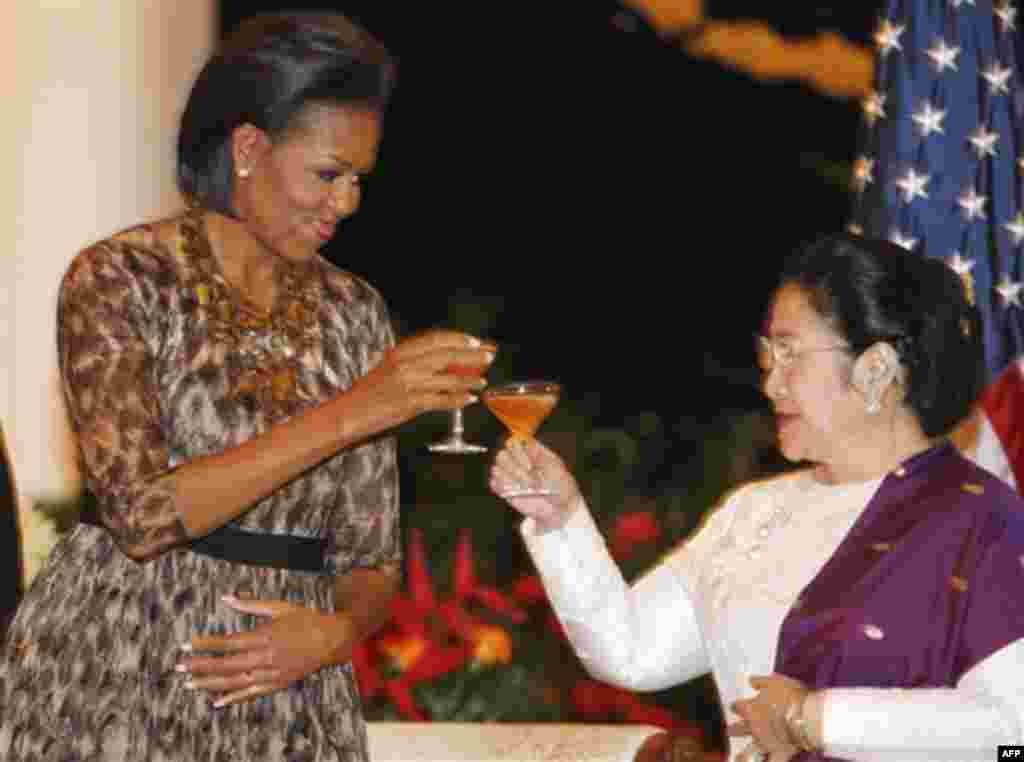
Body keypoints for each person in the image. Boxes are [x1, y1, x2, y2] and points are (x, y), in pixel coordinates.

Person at [0, 13, 494, 761]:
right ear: (248, 150)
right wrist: (360, 407)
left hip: (292, 686)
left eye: (359, 179)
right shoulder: (120, 278)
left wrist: (334, 632)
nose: (349, 202)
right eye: (329, 174)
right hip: (124, 665)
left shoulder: (355, 311)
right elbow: (141, 514)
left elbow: (373, 562)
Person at [491, 234, 1024, 762]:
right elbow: (632, 650)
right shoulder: (755, 511)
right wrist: (562, 520)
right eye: (768, 356)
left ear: (876, 369)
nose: (771, 385)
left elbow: (1014, 737)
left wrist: (818, 719)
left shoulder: (980, 518)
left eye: (791, 354)